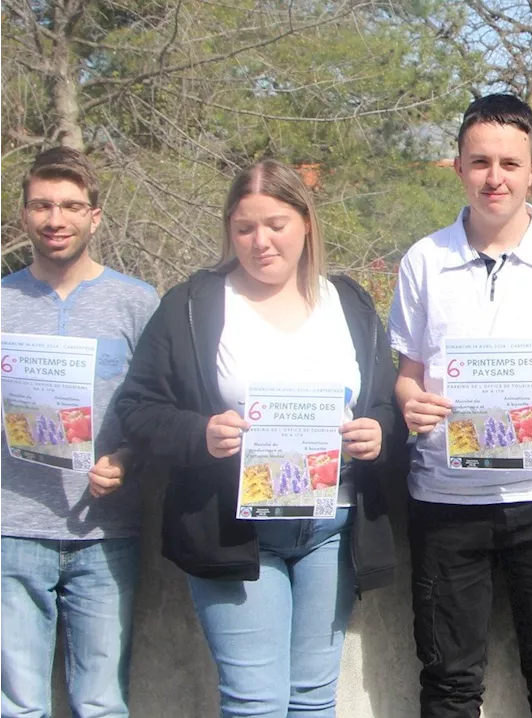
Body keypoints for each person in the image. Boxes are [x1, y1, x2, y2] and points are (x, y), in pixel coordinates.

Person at [114, 159, 402, 717]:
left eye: (276, 224)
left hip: (330, 527)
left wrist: (379, 432)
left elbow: (386, 405)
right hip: (233, 527)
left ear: (307, 224)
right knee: (255, 703)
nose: (261, 241)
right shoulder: (193, 305)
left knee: (314, 700)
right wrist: (200, 433)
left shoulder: (349, 303)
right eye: (245, 228)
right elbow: (137, 407)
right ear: (228, 231)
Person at [389, 93, 532, 718]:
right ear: (458, 167)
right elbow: (406, 377)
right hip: (446, 499)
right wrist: (413, 405)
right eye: (481, 162)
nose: (495, 178)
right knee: (449, 683)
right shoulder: (422, 260)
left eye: (510, 164)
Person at [0, 147, 159, 718]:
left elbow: (158, 409)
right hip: (12, 530)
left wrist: (126, 457)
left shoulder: (138, 303)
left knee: (101, 703)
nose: (55, 219)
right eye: (42, 205)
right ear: (23, 214)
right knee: (17, 706)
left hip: (105, 532)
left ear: (95, 215)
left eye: (70, 205)